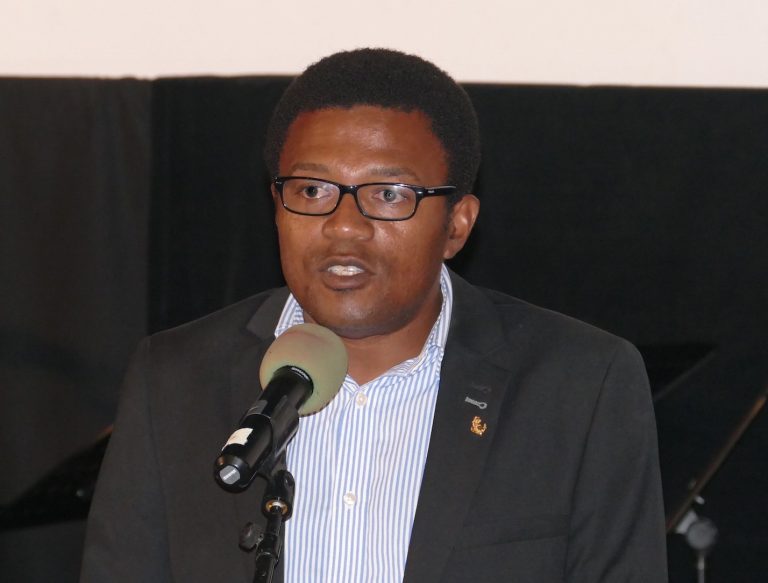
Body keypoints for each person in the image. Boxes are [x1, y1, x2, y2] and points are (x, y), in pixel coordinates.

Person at [81, 48, 667, 582]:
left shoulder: (579, 386)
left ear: (457, 224)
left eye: (389, 194)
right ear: (276, 206)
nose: (343, 226)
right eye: (312, 190)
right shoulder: (175, 379)